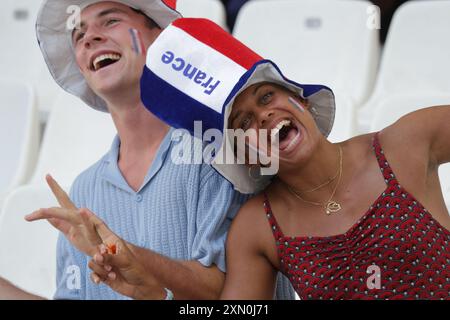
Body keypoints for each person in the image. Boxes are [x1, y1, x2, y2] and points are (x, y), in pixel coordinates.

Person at [86, 17, 450, 300]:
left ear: (301, 99)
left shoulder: (405, 143)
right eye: (243, 122)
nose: (262, 116)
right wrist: (153, 292)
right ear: (244, 155)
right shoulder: (257, 225)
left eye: (266, 97)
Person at [0, 1, 293, 300]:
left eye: (110, 21)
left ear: (160, 38)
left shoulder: (218, 150)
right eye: (78, 35)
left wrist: (125, 254)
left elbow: (235, 297)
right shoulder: (83, 191)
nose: (89, 37)